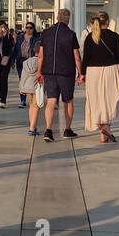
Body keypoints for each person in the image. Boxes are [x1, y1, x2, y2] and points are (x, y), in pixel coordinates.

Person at [80, 11, 119, 143]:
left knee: (96, 100)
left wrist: (82, 74)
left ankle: (103, 132)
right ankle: (107, 128)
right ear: (108, 23)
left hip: (93, 72)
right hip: (111, 70)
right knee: (110, 100)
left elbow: (85, 58)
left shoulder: (90, 37)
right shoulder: (114, 36)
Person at [38, 8, 82, 142]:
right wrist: (81, 73)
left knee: (51, 100)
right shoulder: (71, 34)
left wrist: (39, 72)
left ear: (57, 17)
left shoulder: (46, 33)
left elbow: (41, 55)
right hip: (66, 72)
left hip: (49, 71)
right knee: (68, 100)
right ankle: (67, 129)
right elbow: (76, 56)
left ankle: (48, 130)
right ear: (68, 19)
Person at [18, 24, 43, 135]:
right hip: (36, 87)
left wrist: (21, 88)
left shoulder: (27, 62)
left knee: (31, 107)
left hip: (27, 87)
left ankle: (32, 126)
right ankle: (32, 128)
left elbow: (23, 75)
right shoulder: (41, 62)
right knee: (36, 107)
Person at [0, 21, 17, 108]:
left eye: (4, 27)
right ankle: (0, 97)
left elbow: (10, 47)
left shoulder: (9, 37)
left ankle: (3, 100)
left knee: (4, 78)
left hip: (6, 59)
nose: (2, 28)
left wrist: (5, 37)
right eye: (1, 27)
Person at [15, 21, 40, 107]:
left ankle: (33, 98)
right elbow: (16, 49)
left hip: (31, 62)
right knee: (22, 80)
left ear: (33, 29)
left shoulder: (36, 39)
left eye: (30, 28)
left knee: (31, 80)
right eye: (27, 28)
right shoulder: (20, 38)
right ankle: (22, 100)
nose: (28, 29)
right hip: (21, 61)